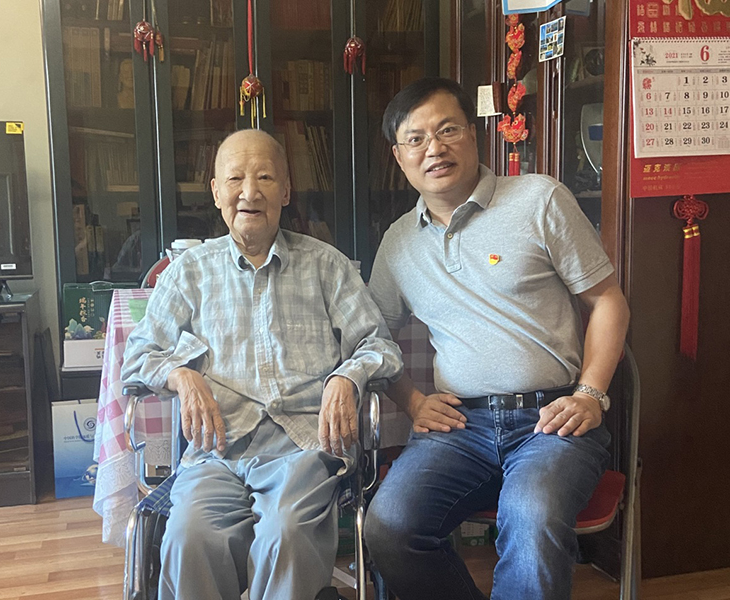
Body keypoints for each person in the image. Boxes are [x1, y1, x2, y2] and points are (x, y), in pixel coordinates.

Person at [363, 77, 630, 600]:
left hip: (552, 418)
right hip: (460, 426)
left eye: (447, 130)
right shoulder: (397, 242)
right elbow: (372, 339)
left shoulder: (539, 199)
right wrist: (411, 400)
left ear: (474, 133)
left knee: (532, 514)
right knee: (390, 525)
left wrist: (591, 393)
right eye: (415, 139)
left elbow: (607, 302)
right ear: (399, 156)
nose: (434, 148)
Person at [121, 129, 402, 600]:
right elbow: (137, 357)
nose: (249, 192)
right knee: (190, 536)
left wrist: (347, 376)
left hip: (304, 446)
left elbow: (380, 346)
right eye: (235, 179)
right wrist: (179, 374)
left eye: (265, 178)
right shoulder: (189, 271)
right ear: (216, 192)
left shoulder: (327, 265)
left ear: (286, 191)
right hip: (217, 448)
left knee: (285, 533)